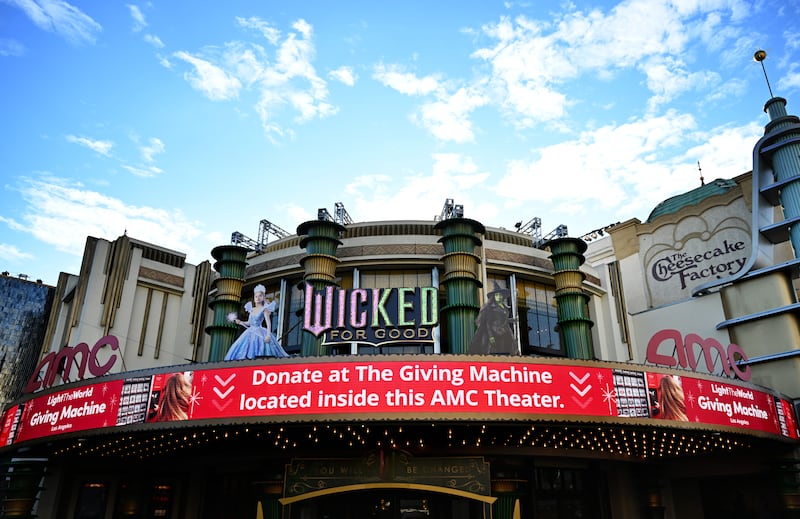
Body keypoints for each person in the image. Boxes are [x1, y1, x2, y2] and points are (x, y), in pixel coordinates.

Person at [225, 284, 290, 360]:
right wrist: (240, 322)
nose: (258, 298)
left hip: (260, 332)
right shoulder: (251, 309)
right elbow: (249, 323)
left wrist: (268, 335)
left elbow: (268, 323)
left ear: (263, 297)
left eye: (260, 296)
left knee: (261, 350)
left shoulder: (264, 309)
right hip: (250, 332)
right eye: (256, 296)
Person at [468, 282, 516, 354]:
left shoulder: (505, 307)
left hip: (505, 333)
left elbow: (502, 319)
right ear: (494, 297)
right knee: (495, 351)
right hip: (495, 332)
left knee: (507, 350)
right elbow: (488, 323)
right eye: (497, 295)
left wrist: (512, 320)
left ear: (503, 296)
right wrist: (491, 336)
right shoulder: (490, 308)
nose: (499, 297)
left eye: (500, 295)